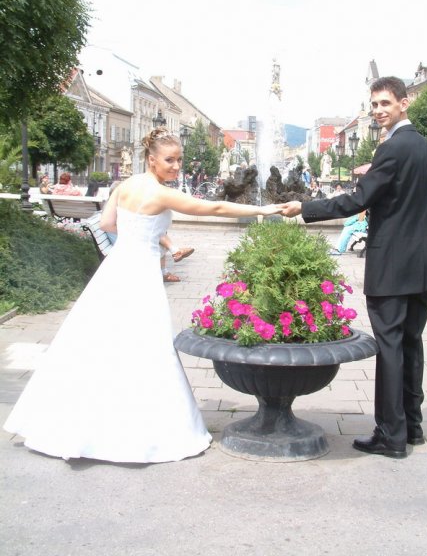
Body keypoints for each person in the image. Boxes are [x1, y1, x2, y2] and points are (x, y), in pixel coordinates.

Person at [4, 127, 281, 464]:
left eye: (179, 159)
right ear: (151, 160)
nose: (176, 166)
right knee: (147, 343)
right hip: (141, 274)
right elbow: (216, 208)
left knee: (95, 342)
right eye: (170, 160)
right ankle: (139, 430)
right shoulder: (160, 194)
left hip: (115, 268)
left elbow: (107, 223)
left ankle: (79, 423)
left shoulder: (125, 186)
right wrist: (266, 210)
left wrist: (143, 234)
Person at [280, 76, 427, 459]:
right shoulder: (425, 148)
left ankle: (390, 435)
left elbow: (358, 200)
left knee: (391, 348)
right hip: (420, 265)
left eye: (385, 103)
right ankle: (412, 426)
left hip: (392, 267)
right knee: (410, 344)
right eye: (374, 105)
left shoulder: (392, 148)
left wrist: (305, 208)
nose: (379, 111)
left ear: (404, 103)